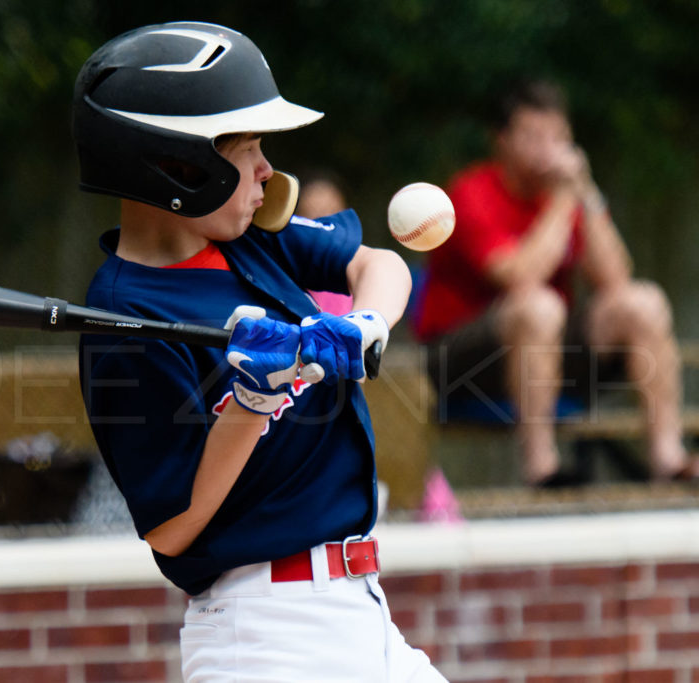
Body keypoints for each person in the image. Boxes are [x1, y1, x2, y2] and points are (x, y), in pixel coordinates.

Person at [76, 22, 445, 681]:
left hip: (359, 610)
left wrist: (366, 323)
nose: (266, 170)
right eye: (245, 148)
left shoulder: (252, 239)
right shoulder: (124, 317)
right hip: (266, 632)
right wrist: (252, 400)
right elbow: (170, 527)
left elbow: (379, 265)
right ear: (175, 164)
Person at [413, 80, 698, 487]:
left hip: (546, 353)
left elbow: (616, 280)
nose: (548, 149)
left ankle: (668, 458)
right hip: (459, 363)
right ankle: (541, 466)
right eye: (533, 137)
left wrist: (587, 196)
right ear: (501, 140)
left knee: (644, 302)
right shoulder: (469, 193)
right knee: (538, 306)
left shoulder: (563, 194)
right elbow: (518, 278)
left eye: (558, 137)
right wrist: (565, 201)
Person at [297, 172, 353, 316]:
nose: (321, 224)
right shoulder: (288, 274)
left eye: (329, 213)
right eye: (312, 214)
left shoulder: (355, 272)